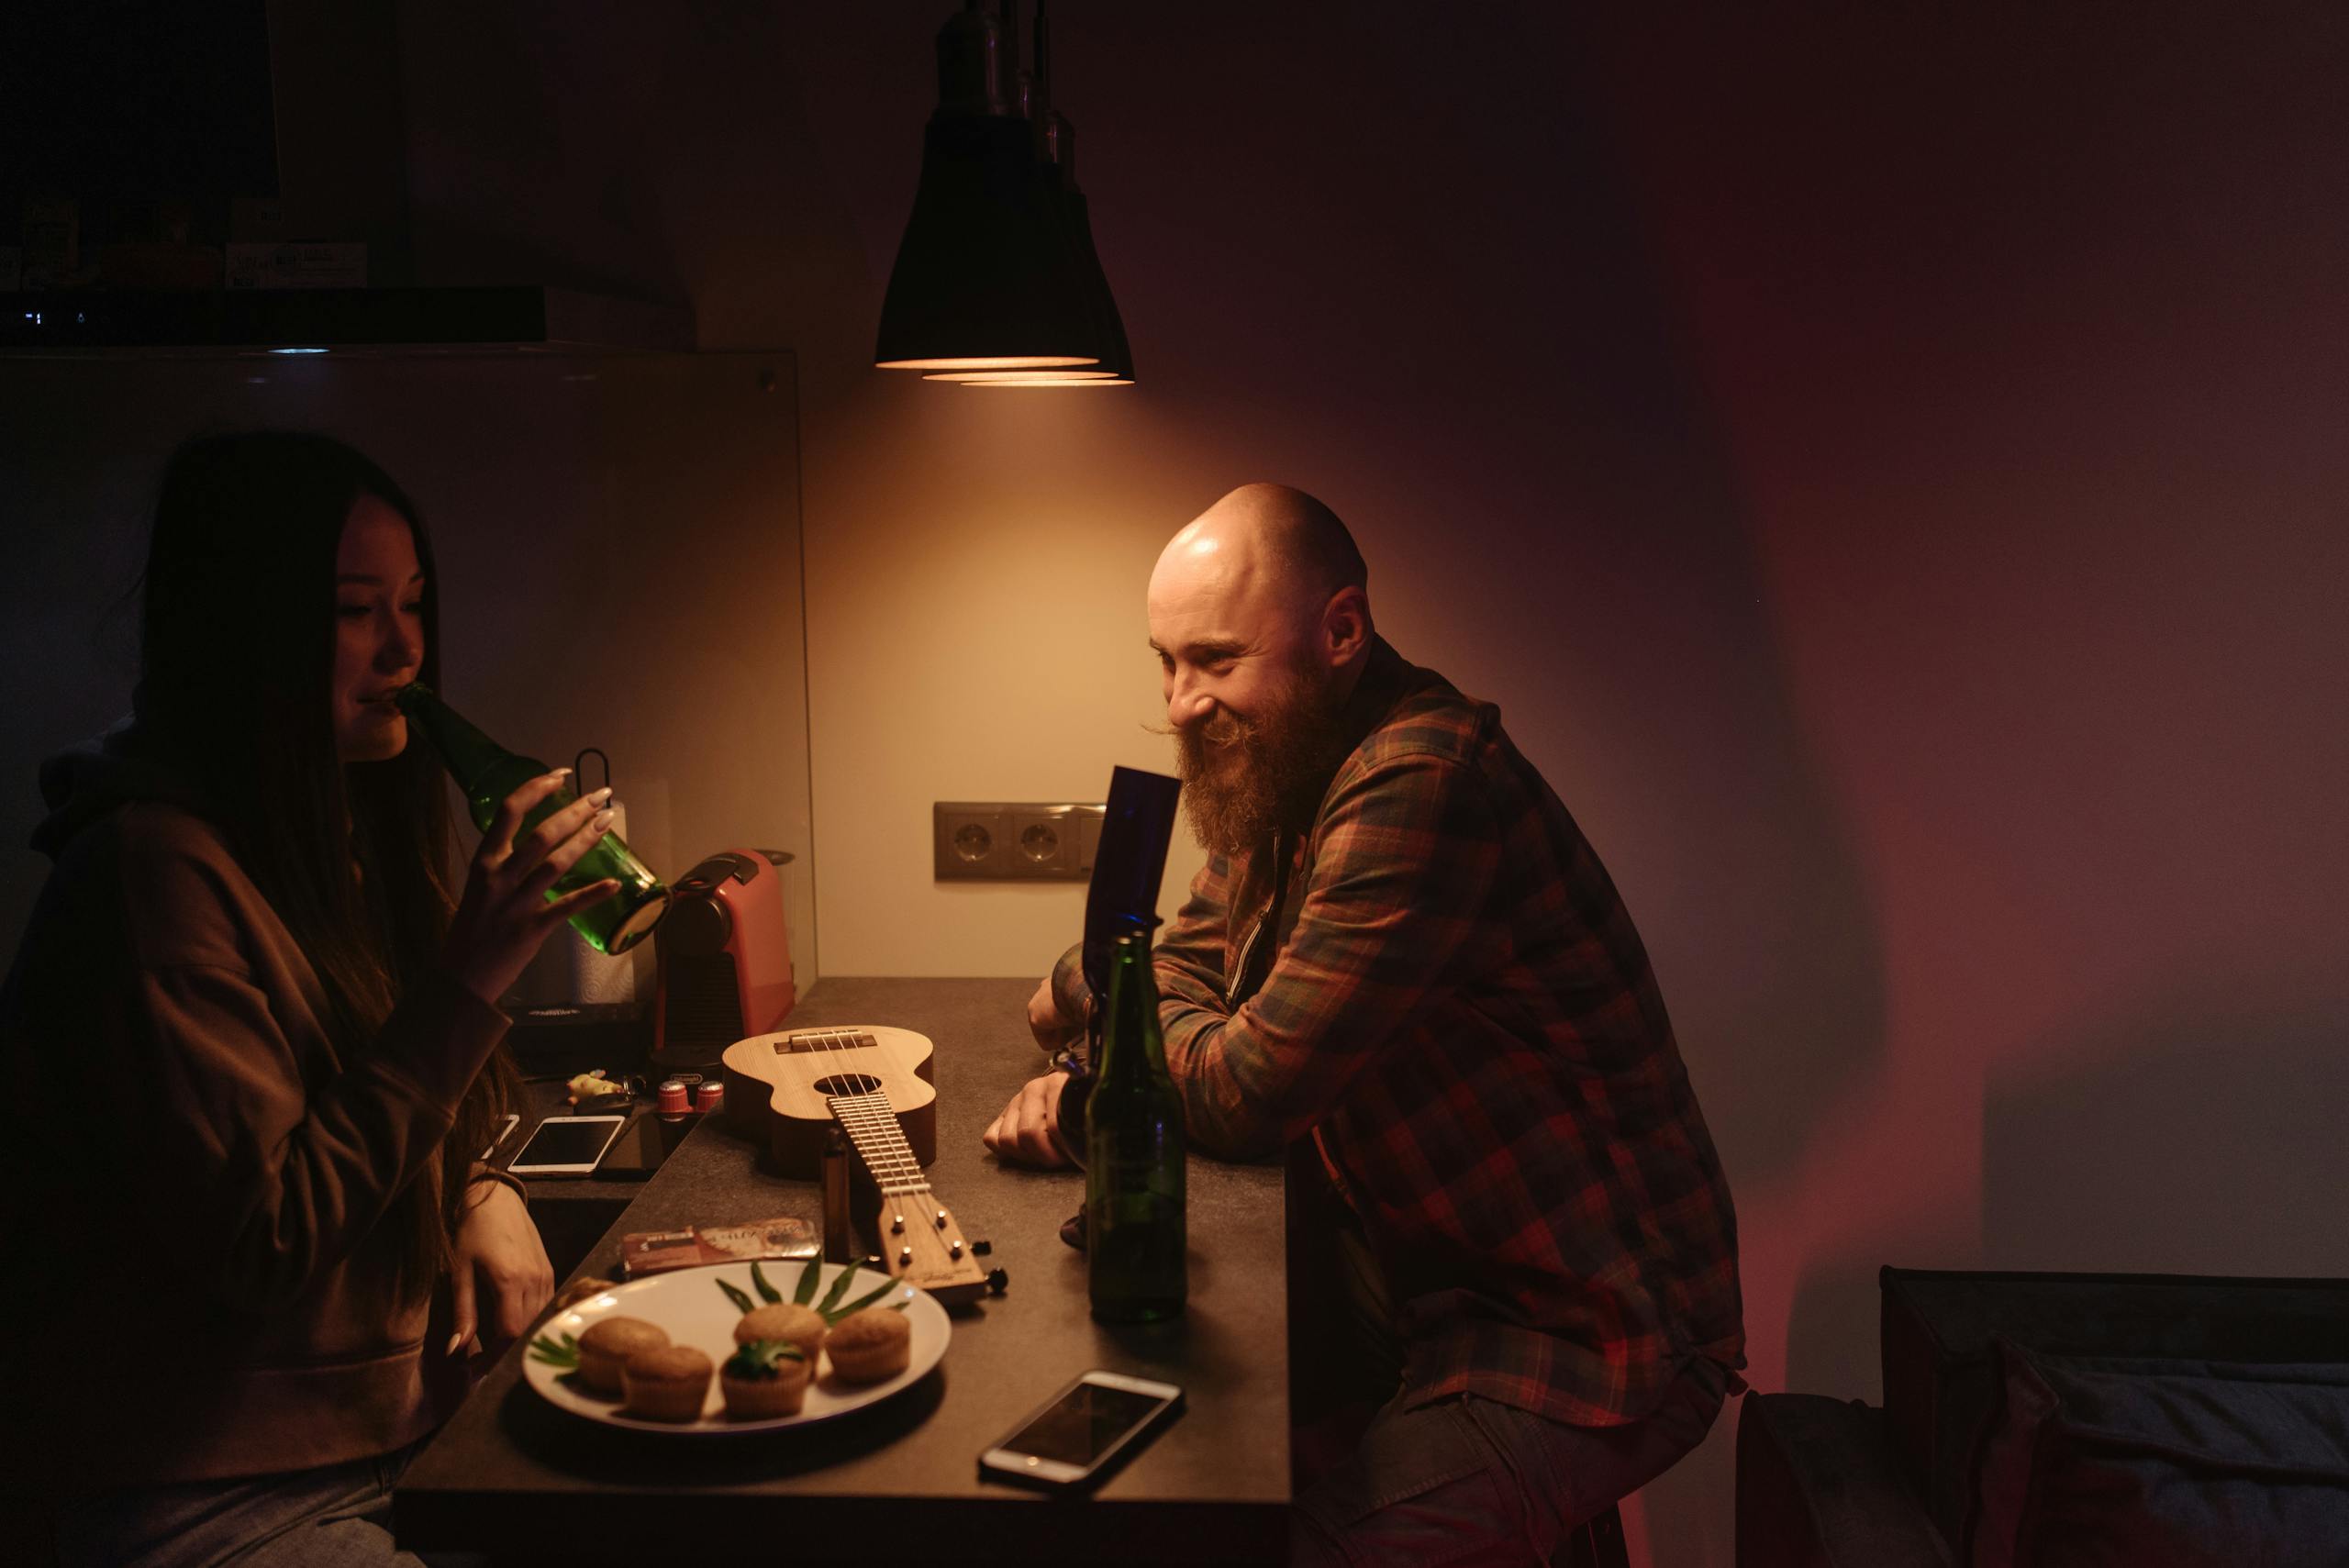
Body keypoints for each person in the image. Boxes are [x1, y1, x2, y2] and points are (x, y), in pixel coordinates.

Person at [985, 484, 1744, 1565]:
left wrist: (1093, 997)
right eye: (1167, 661)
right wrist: (1126, 994)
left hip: (1582, 1335)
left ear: (1340, 630)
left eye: (1215, 659)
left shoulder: (1420, 782)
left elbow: (1248, 1087)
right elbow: (1185, 960)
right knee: (1186, 1454)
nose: (1181, 703)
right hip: (1423, 1281)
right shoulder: (1294, 758)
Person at [0, 432, 622, 1567]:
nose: (406, 649)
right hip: (211, 1492)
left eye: (414, 603)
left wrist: (475, 1182)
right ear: (241, 628)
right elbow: (266, 1241)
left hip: (400, 1436)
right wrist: (467, 977)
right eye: (352, 610)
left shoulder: (327, 826)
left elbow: (377, 1097)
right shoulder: (150, 876)